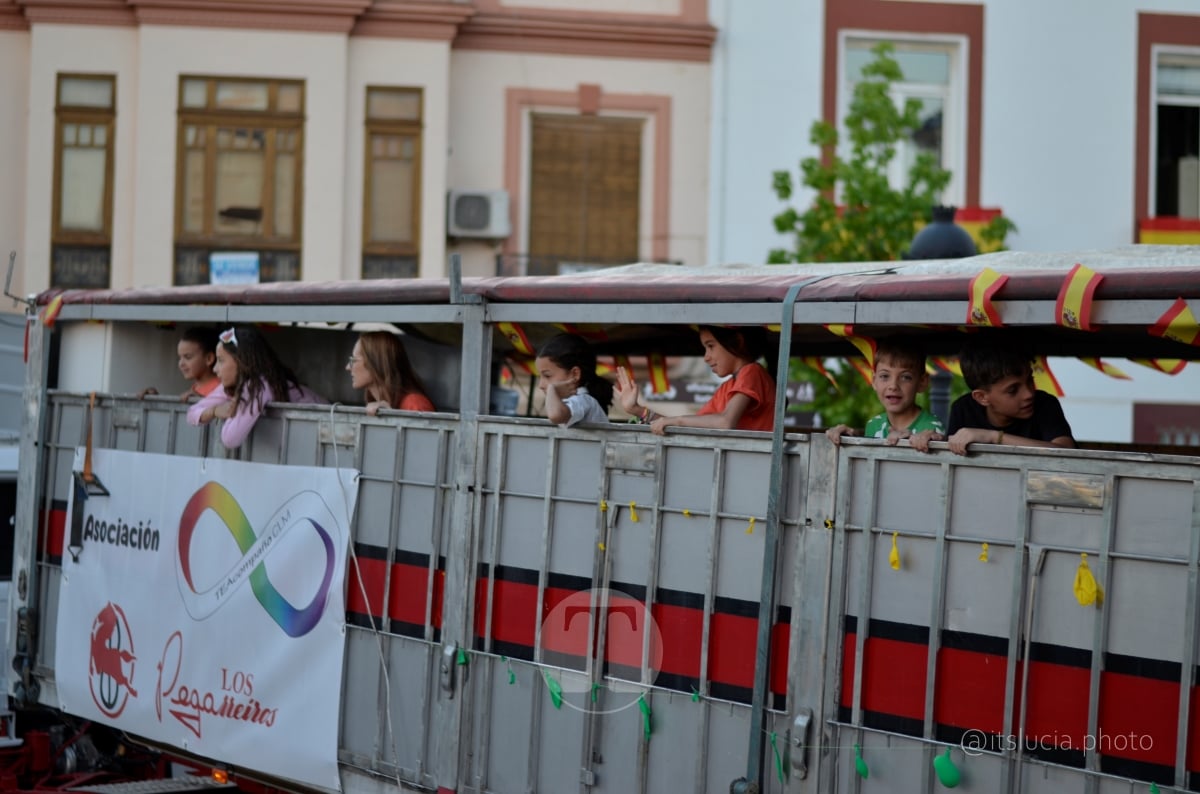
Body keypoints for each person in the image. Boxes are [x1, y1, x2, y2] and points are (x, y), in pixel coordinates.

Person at [615, 325, 776, 435]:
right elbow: (694, 425)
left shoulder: (752, 371)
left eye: (711, 346)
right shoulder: (728, 386)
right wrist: (637, 409)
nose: (706, 357)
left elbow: (725, 422)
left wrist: (676, 420)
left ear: (738, 341)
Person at [188, 326, 326, 449]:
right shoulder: (235, 385)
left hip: (326, 431)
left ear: (242, 361)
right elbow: (191, 413)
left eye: (221, 360)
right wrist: (215, 411)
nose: (215, 369)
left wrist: (232, 409)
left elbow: (230, 438)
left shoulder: (257, 385)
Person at [946, 337, 1075, 455]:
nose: (1029, 394)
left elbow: (1066, 452)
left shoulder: (1044, 404)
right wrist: (932, 439)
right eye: (1013, 390)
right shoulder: (963, 409)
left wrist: (994, 437)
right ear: (981, 397)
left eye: (1030, 380)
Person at [825, 337, 945, 452]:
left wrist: (909, 444)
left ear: (922, 382)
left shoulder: (932, 429)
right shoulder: (873, 425)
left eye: (905, 377)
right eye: (885, 376)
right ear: (874, 381)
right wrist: (848, 438)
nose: (893, 386)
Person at [347, 331, 435, 416]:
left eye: (353, 360)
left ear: (376, 363)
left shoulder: (414, 404)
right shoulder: (378, 403)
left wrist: (390, 418)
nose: (347, 367)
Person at [535, 333, 613, 427]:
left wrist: (552, 389)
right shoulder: (569, 402)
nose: (541, 385)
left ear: (575, 374)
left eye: (547, 376)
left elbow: (556, 416)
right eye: (540, 376)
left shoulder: (583, 400)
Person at [139, 326, 221, 400]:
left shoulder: (221, 389)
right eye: (180, 358)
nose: (181, 364)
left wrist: (200, 401)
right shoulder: (195, 388)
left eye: (188, 357)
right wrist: (154, 399)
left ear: (209, 359)